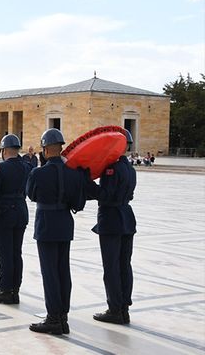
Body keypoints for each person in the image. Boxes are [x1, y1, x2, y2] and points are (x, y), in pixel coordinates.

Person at [26, 128, 87, 335]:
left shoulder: (38, 173)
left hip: (46, 225)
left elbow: (32, 195)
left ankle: (53, 318)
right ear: (61, 148)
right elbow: (79, 200)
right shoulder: (74, 173)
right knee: (63, 271)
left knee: (50, 273)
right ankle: (63, 317)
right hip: (65, 223)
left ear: (44, 149)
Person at [86, 130, 137, 325]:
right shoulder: (130, 168)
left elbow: (105, 195)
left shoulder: (112, 169)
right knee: (125, 265)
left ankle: (114, 309)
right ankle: (124, 308)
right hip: (126, 219)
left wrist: (87, 183)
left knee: (112, 267)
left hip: (112, 221)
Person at [0, 134, 32, 305]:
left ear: (4, 151)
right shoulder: (26, 167)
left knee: (5, 254)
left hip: (4, 215)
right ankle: (15, 290)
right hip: (21, 212)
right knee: (16, 253)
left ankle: (5, 290)